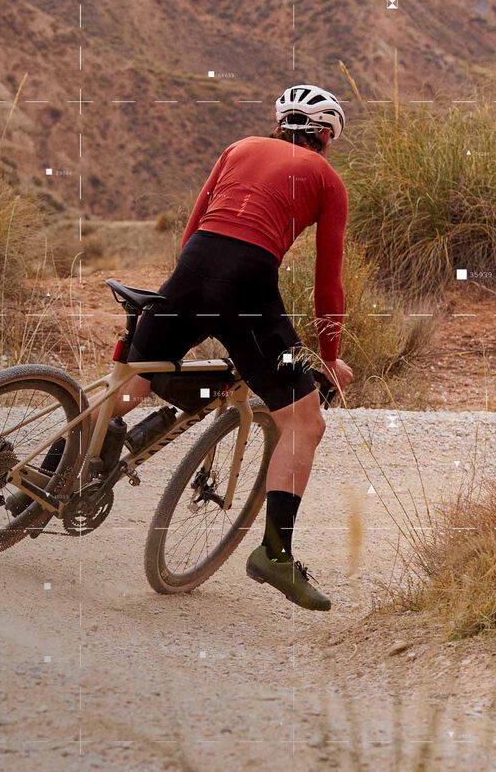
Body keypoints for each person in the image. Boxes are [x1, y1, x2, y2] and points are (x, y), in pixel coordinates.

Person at [114, 84, 352, 611]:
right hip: (248, 289)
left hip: (193, 269)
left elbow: (191, 231)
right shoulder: (327, 179)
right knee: (304, 421)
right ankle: (275, 553)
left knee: (135, 381)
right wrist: (329, 357)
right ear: (327, 137)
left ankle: (56, 469)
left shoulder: (238, 149)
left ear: (278, 124)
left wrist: (187, 298)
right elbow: (326, 283)